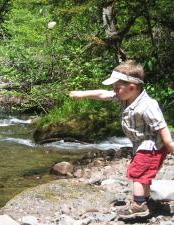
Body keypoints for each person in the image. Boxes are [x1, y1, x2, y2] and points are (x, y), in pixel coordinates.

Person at [69, 60, 174, 219]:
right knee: (144, 175)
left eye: (117, 88)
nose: (114, 91)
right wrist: (83, 94)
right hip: (141, 145)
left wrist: (170, 144)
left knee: (137, 173)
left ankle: (138, 205)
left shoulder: (147, 105)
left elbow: (161, 126)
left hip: (152, 145)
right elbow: (103, 94)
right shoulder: (124, 96)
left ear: (132, 87)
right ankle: (145, 200)